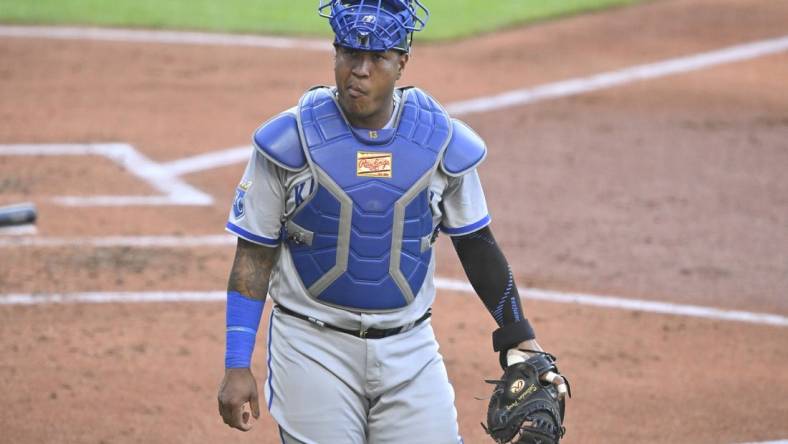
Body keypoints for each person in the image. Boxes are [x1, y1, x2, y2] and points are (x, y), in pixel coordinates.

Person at [217, 1, 566, 442]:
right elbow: (253, 255)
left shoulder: (440, 142)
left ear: (402, 61)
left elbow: (477, 244)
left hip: (410, 349)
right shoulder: (289, 142)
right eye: (349, 53)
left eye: (377, 57)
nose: (359, 71)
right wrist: (236, 363)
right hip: (311, 347)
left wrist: (518, 334)